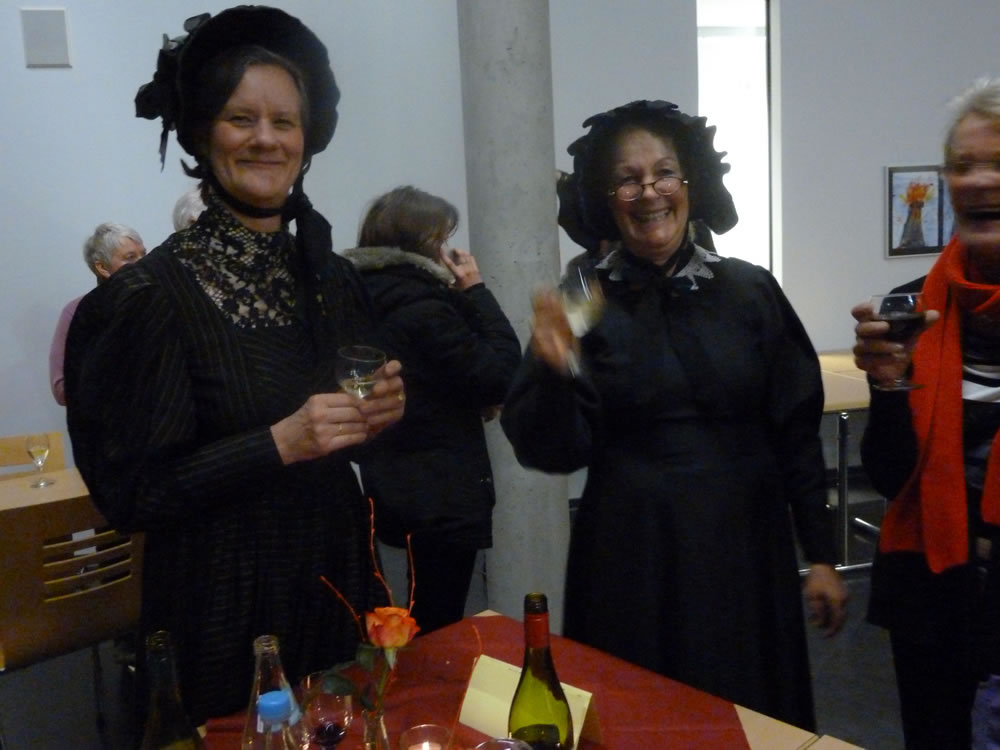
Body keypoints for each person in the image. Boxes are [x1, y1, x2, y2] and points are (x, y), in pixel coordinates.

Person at [65, 6, 405, 724]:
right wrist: (278, 443)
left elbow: (354, 437)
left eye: (284, 121)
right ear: (200, 132)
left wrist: (381, 416)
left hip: (334, 575)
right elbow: (133, 494)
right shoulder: (149, 298)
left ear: (307, 139)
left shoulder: (333, 278)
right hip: (220, 599)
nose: (266, 139)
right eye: (240, 119)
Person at [500, 99, 847, 730]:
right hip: (630, 547)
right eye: (627, 180)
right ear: (607, 199)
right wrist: (553, 371)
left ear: (691, 184)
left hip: (744, 542)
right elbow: (552, 449)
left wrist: (821, 553)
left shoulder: (750, 290)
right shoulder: (582, 296)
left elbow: (795, 430)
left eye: (664, 173)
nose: (649, 192)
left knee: (746, 707)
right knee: (639, 712)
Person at [852, 76, 1000, 749]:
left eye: (997, 162)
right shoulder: (913, 307)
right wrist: (888, 390)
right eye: (963, 165)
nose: (979, 180)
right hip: (933, 597)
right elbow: (888, 477)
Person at [342, 186, 521, 635]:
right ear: (421, 242)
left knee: (403, 617)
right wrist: (477, 290)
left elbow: (429, 381)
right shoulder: (424, 306)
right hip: (441, 491)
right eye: (441, 238)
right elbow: (500, 374)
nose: (446, 250)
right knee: (440, 623)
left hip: (390, 482)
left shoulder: (359, 296)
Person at [48, 222, 146, 405]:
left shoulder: (157, 303)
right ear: (102, 268)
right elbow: (61, 388)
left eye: (144, 255)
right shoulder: (76, 311)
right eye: (130, 257)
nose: (143, 263)